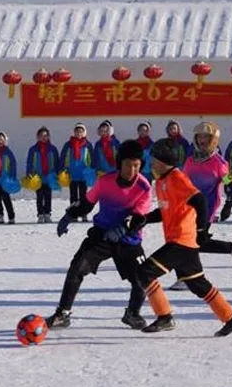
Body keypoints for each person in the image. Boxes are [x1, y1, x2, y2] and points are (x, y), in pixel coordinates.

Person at [124, 138, 232, 336]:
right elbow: (164, 211)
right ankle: (231, 319)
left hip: (182, 240)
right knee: (198, 284)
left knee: (144, 272)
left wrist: (202, 230)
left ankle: (165, 317)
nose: (151, 164)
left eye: (154, 160)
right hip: (179, 241)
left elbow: (200, 200)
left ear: (163, 161)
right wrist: (142, 219)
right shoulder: (162, 181)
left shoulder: (177, 178)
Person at [46, 140, 152, 330]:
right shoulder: (105, 181)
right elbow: (87, 203)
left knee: (143, 278)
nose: (132, 170)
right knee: (77, 267)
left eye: (136, 165)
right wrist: (69, 214)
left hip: (129, 239)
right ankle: (63, 313)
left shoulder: (144, 187)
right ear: (120, 163)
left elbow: (138, 218)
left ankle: (133, 313)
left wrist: (123, 228)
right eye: (128, 164)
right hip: (102, 235)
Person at [168, 122, 232, 290]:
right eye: (199, 136)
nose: (201, 140)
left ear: (213, 140)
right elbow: (183, 182)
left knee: (188, 241)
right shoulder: (190, 161)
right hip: (188, 206)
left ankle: (186, 278)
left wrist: (229, 202)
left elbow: (229, 181)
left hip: (207, 206)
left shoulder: (219, 162)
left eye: (205, 137)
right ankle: (231, 247)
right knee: (194, 241)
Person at [59, 122, 94, 222]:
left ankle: (83, 214)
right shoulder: (68, 145)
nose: (79, 133)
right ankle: (73, 215)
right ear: (74, 132)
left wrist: (92, 170)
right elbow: (63, 157)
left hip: (83, 174)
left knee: (84, 197)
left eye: (81, 132)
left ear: (84, 133)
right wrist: (62, 169)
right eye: (77, 131)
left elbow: (92, 158)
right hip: (72, 174)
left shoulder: (88, 145)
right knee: (73, 196)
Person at [26, 126, 59, 223]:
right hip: (37, 177)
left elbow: (57, 162)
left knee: (48, 196)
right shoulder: (33, 149)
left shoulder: (53, 149)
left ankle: (47, 214)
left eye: (45, 136)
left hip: (49, 177)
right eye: (41, 136)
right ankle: (40, 214)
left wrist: (57, 173)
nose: (43, 138)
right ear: (37, 137)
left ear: (48, 137)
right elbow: (29, 162)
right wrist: (29, 173)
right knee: (39, 196)